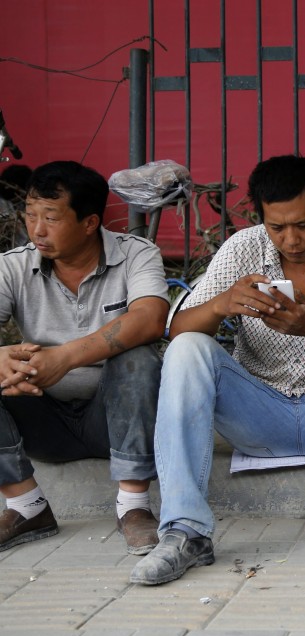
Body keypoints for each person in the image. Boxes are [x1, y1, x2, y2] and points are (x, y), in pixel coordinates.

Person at [130, 154, 305, 586]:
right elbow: (178, 327)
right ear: (261, 219)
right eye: (276, 227)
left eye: (303, 225)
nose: (290, 239)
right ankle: (186, 531)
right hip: (255, 412)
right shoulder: (243, 247)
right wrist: (222, 305)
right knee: (187, 349)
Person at [0, 160, 168, 554]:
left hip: (114, 420)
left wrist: (64, 358)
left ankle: (134, 506)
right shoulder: (13, 266)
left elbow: (150, 319)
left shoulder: (136, 255)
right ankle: (26, 507)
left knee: (138, 357)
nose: (37, 230)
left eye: (51, 218)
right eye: (30, 215)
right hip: (43, 419)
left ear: (90, 223)